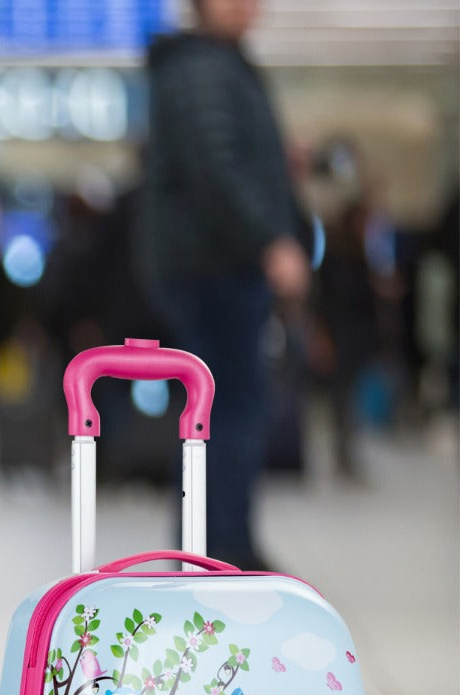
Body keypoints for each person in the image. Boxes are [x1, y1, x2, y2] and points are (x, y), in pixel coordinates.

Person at [139, 0, 311, 569]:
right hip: (214, 268)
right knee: (225, 409)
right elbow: (214, 168)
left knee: (218, 409)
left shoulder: (217, 65)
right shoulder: (201, 68)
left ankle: (211, 542)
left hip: (212, 264)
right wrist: (270, 239)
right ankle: (222, 547)